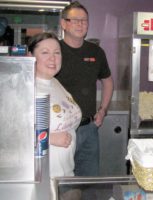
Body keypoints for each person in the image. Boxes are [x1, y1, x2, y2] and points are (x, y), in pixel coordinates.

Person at [56, 1, 114, 176]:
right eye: (75, 20)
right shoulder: (54, 50)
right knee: (63, 183)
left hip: (89, 129)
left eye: (85, 20)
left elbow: (108, 81)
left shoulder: (96, 52)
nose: (81, 24)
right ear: (64, 23)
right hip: (61, 130)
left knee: (89, 183)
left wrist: (103, 110)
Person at [28, 32, 82, 178]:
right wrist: (50, 138)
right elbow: (11, 136)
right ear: (30, 56)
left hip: (66, 174)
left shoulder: (54, 81)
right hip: (42, 178)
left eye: (57, 53)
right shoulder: (27, 88)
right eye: (45, 52)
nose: (52, 58)